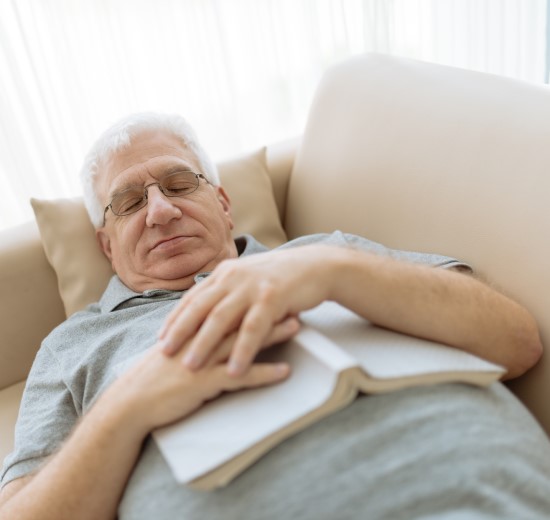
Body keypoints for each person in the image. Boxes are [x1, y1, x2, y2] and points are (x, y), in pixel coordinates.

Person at [1, 112, 550, 520]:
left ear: (222, 203)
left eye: (178, 184)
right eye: (129, 204)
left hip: (489, 493)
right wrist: (126, 406)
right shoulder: (72, 344)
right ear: (106, 245)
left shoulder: (326, 250)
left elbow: (515, 340)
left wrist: (333, 274)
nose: (161, 213)